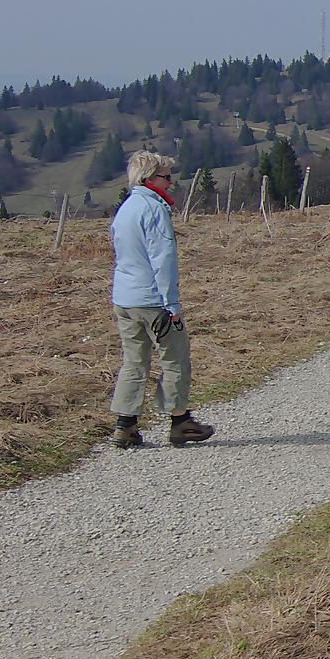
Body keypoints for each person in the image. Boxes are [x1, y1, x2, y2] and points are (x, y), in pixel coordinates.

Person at [109, 150, 214, 448]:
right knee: (175, 358)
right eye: (166, 177)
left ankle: (125, 425)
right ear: (148, 178)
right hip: (153, 300)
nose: (171, 182)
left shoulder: (126, 208)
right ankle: (180, 421)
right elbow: (163, 259)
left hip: (125, 298)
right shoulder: (155, 209)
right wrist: (173, 304)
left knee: (134, 361)